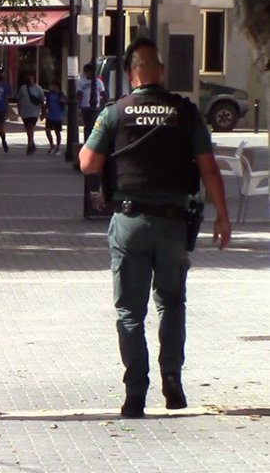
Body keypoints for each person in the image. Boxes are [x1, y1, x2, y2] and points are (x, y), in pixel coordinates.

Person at [78, 38, 231, 418]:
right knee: (172, 302)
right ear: (160, 71)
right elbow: (209, 167)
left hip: (130, 221)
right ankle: (173, 380)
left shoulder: (116, 112)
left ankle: (135, 394)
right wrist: (224, 216)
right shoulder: (185, 111)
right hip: (174, 223)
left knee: (130, 311)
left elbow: (88, 163)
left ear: (131, 75)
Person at [16, 74, 45, 155]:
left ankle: (30, 144)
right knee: (28, 129)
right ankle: (32, 144)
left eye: (32, 78)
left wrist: (43, 113)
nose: (30, 80)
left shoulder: (38, 89)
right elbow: (19, 99)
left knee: (30, 128)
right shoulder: (23, 88)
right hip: (25, 112)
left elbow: (42, 101)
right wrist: (19, 110)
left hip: (34, 112)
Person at [77, 63, 106, 140]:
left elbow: (103, 93)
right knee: (87, 125)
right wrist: (78, 106)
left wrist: (105, 104)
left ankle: (94, 140)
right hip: (84, 106)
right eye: (85, 72)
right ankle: (86, 140)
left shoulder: (98, 82)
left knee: (94, 124)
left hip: (95, 106)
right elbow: (79, 94)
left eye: (88, 71)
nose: (86, 73)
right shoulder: (81, 82)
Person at [44, 80, 67, 155]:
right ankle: (51, 145)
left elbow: (66, 101)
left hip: (58, 116)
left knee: (57, 132)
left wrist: (62, 101)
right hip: (50, 115)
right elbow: (47, 104)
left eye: (53, 86)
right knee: (47, 130)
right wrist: (44, 113)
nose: (52, 87)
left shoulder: (61, 94)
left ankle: (58, 147)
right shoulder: (50, 94)